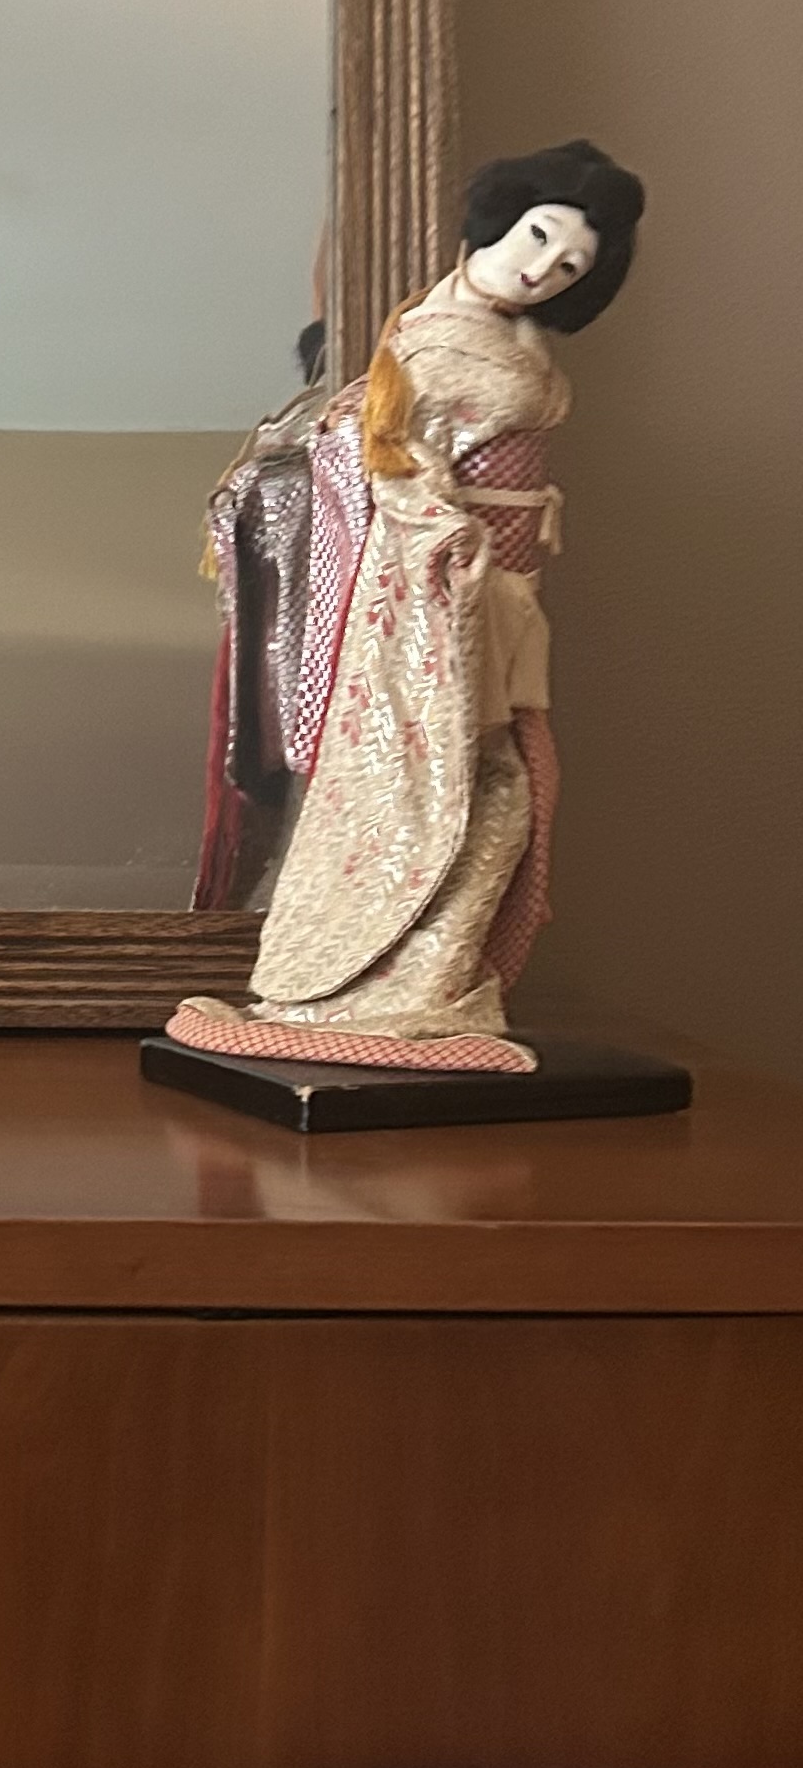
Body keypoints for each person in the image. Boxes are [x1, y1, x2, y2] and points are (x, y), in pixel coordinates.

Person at [173, 138, 645, 1073]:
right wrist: (449, 543)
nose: (542, 268)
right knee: (480, 791)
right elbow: (391, 460)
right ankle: (379, 990)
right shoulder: (430, 342)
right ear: (499, 217)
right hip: (453, 589)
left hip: (509, 592)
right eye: (539, 236)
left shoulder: (509, 338)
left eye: (569, 265)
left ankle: (435, 983)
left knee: (511, 784)